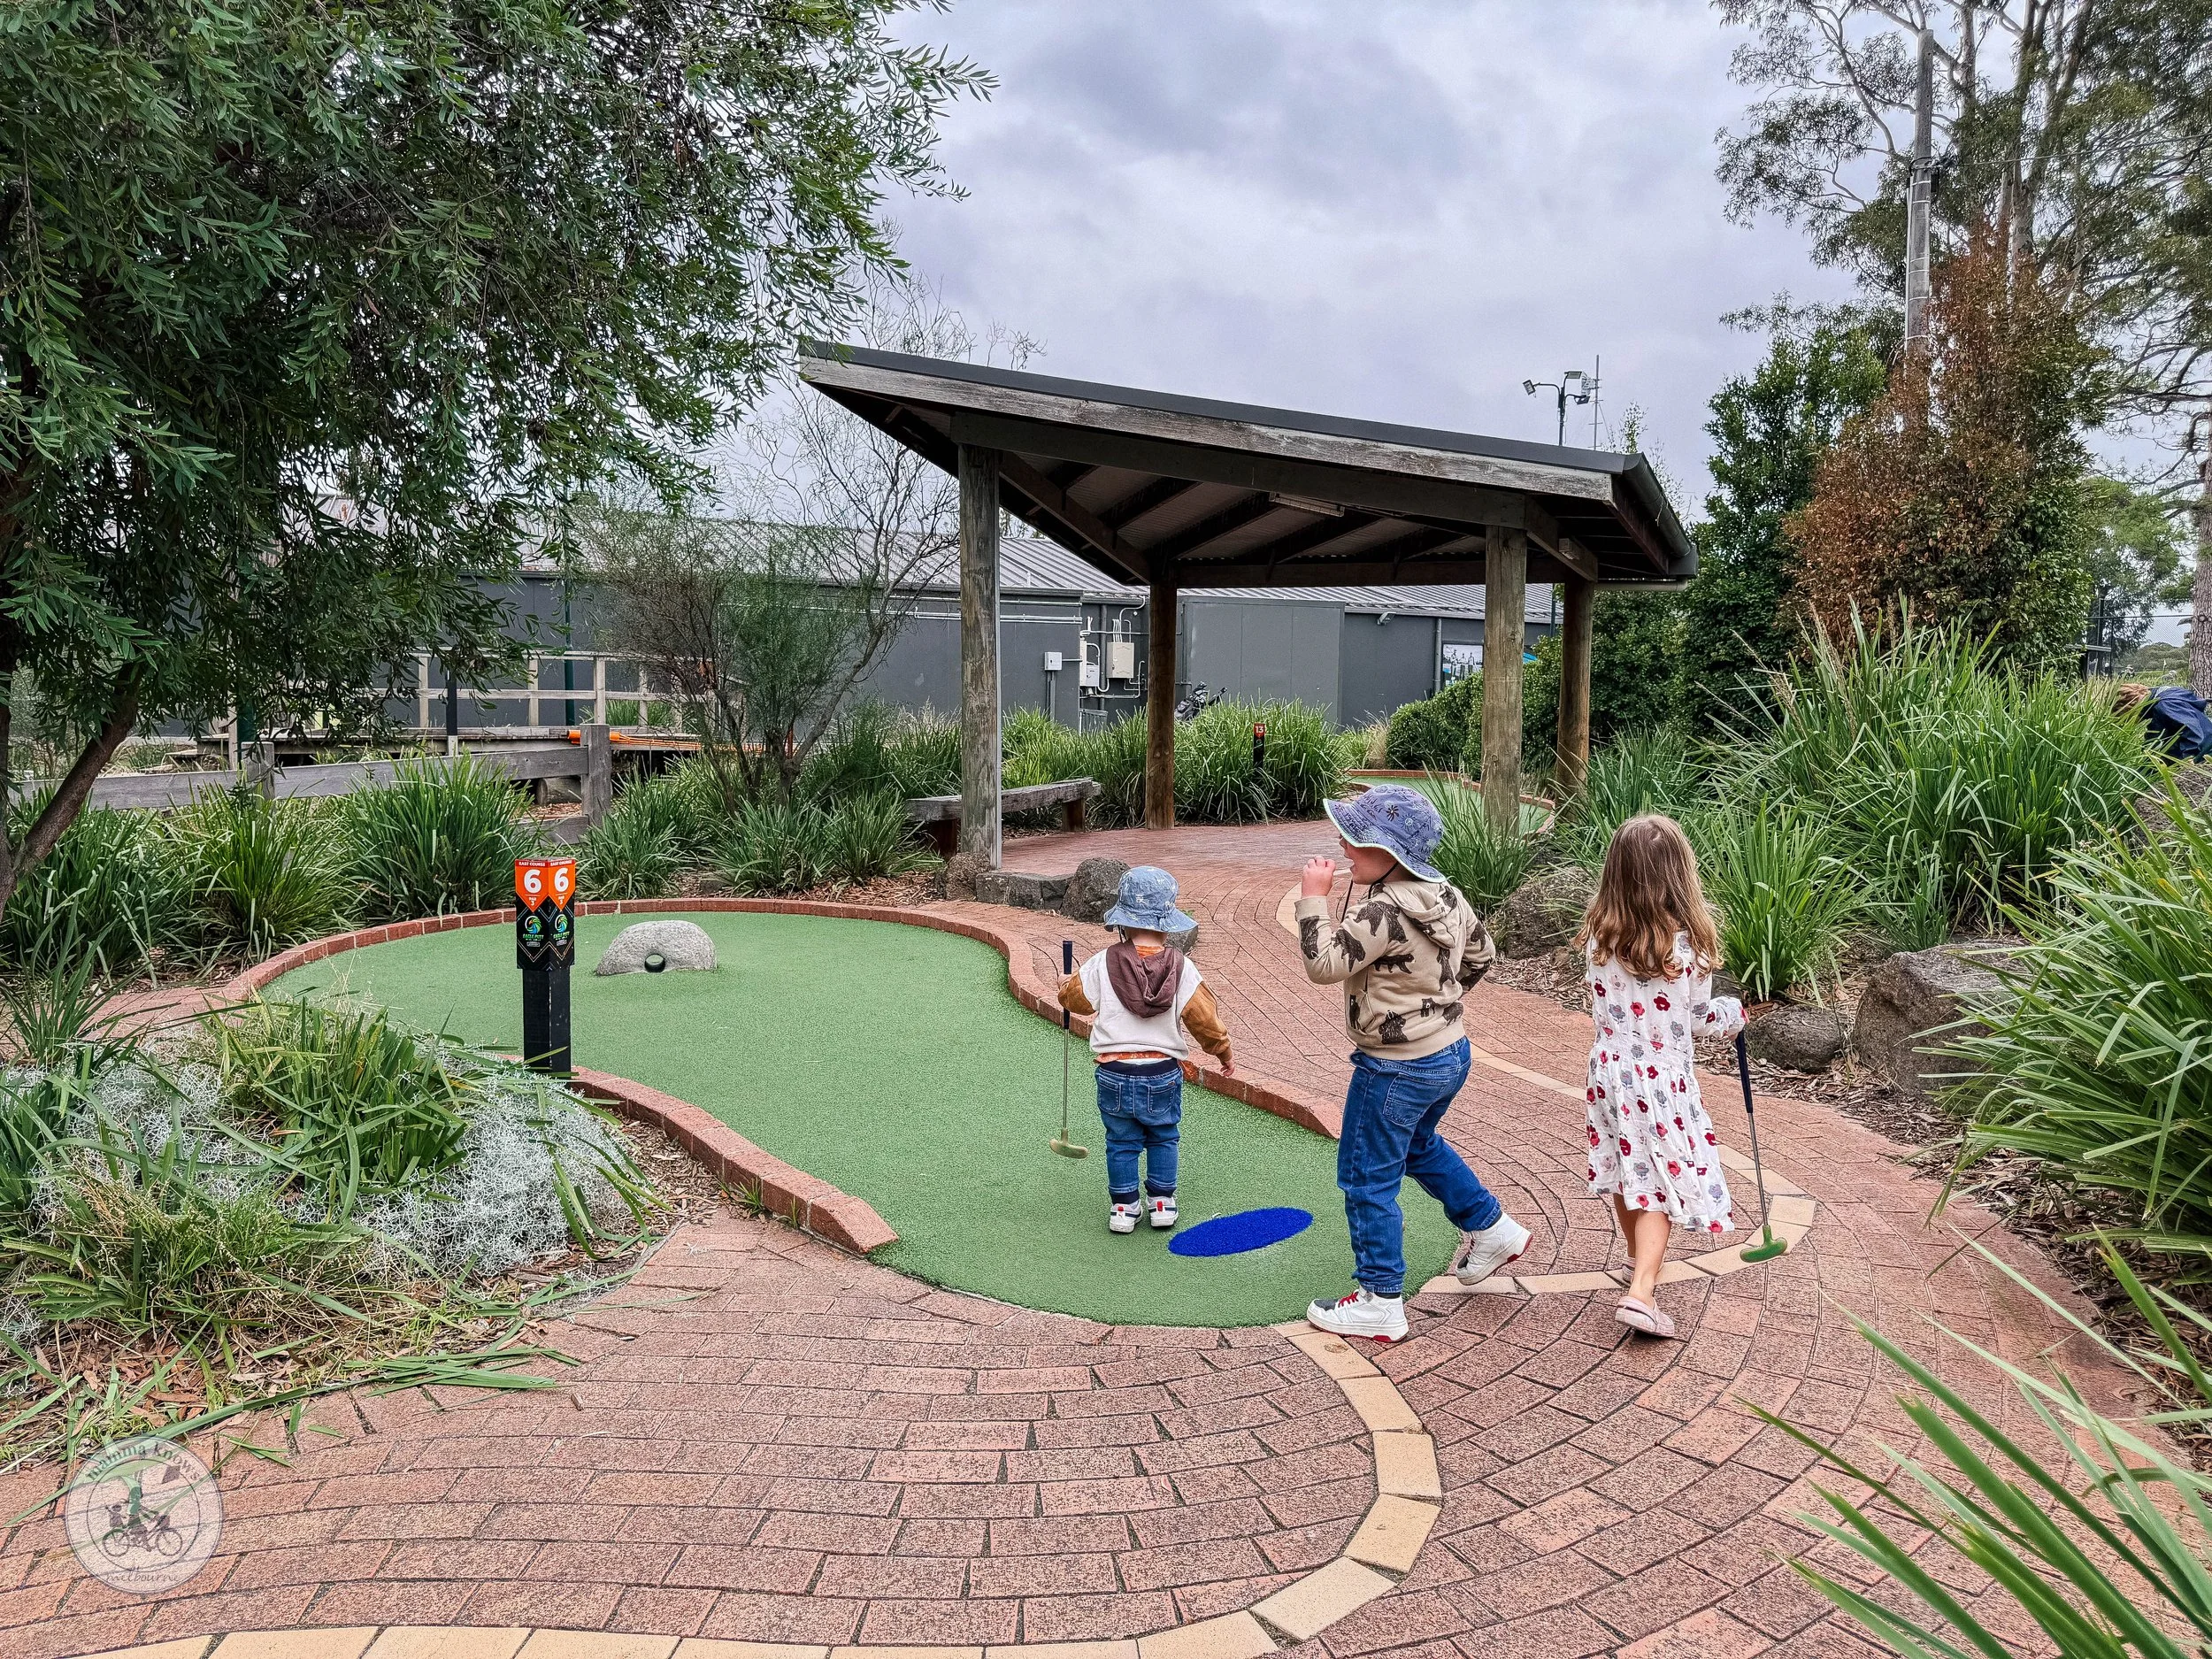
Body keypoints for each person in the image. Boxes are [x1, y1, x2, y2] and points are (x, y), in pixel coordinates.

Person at [1294, 784, 1530, 1342]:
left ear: (1389, 853)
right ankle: (1491, 1227)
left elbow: (1325, 965)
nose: (1346, 851)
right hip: (1449, 1051)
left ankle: (1380, 1298)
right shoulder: (1447, 894)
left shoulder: (1382, 911)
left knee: (1364, 1177)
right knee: (1418, 1145)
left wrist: (1313, 901)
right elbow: (1481, 955)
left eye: (1356, 841)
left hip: (1394, 1067)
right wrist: (1436, 1001)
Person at [1578, 814, 1746, 1339]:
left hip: (1609, 1073)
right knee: (1663, 1183)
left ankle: (1637, 1264)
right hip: (1663, 1083)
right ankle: (1642, 1292)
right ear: (1680, 874)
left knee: (1630, 1173)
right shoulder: (1687, 950)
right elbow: (1695, 1021)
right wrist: (1732, 1014)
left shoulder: (1598, 938)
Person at [1058, 865, 1233, 1233]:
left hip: (1114, 1071)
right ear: (1167, 922)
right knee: (1163, 1136)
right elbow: (1204, 1019)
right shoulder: (1183, 968)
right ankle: (1161, 1202)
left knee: (1121, 1140)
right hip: (1161, 1073)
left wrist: (1065, 985)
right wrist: (1223, 1052)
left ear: (1121, 921)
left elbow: (1076, 1001)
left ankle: (1123, 1207)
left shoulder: (1102, 963)